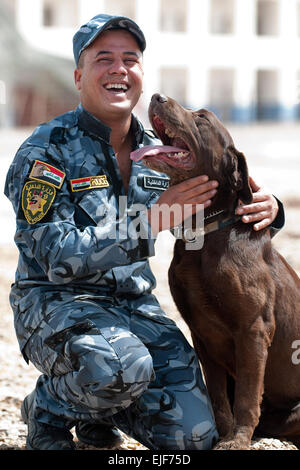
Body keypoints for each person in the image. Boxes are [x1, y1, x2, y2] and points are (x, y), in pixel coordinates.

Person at [4, 14, 284, 451]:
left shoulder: (162, 151)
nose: (119, 68)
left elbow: (217, 203)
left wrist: (269, 208)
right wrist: (150, 222)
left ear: (139, 73)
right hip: (56, 303)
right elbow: (54, 254)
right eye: (104, 59)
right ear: (78, 76)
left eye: (130, 59)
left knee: (194, 440)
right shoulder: (45, 150)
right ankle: (47, 408)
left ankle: (99, 408)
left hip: (135, 309)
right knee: (118, 367)